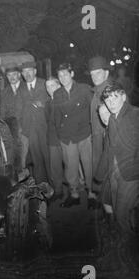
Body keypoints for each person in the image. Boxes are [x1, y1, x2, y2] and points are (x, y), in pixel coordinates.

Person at [96, 82, 139, 241]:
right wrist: (99, 176)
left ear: (124, 97)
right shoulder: (112, 118)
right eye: (108, 101)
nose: (111, 103)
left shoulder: (135, 114)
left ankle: (128, 247)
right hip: (114, 173)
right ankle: (124, 239)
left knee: (122, 214)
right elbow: (109, 148)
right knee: (115, 208)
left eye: (115, 98)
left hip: (131, 175)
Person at [54, 63, 95, 208]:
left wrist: (93, 130)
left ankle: (92, 194)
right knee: (70, 167)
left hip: (84, 134)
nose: (62, 78)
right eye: (59, 75)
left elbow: (93, 108)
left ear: (72, 74)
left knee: (89, 165)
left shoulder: (84, 89)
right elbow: (57, 116)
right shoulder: (57, 94)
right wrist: (60, 134)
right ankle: (74, 194)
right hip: (67, 136)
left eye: (65, 74)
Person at [20, 60, 50, 183]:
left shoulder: (45, 84)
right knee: (36, 159)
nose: (27, 74)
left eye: (30, 71)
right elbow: (19, 108)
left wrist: (43, 104)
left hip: (45, 127)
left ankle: (53, 184)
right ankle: (41, 186)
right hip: (30, 129)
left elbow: (52, 100)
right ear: (22, 74)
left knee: (49, 157)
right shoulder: (21, 88)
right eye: (24, 72)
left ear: (35, 71)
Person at [88, 56, 111, 199]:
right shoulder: (96, 91)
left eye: (98, 73)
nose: (95, 77)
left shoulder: (109, 91)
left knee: (106, 170)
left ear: (106, 73)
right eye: (92, 74)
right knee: (99, 168)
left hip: (105, 138)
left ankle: (108, 207)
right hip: (96, 136)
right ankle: (104, 202)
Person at [0, 63, 24, 172]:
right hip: (12, 126)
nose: (12, 77)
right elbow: (2, 112)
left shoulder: (26, 87)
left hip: (26, 123)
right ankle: (17, 171)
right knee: (14, 149)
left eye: (14, 74)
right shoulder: (5, 92)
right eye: (9, 75)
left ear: (19, 75)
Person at [45, 77, 64, 201]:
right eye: (47, 86)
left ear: (58, 86)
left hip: (66, 138)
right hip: (53, 139)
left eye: (52, 85)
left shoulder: (64, 100)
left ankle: (78, 190)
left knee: (72, 165)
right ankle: (58, 190)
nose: (49, 89)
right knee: (55, 166)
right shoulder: (47, 103)